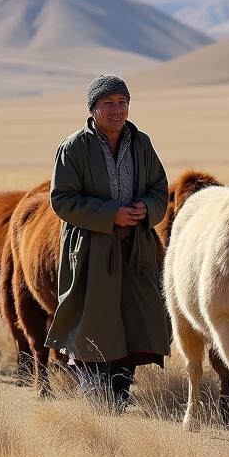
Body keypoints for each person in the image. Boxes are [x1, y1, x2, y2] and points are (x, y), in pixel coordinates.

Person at [46, 75, 170, 409]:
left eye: (122, 103)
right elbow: (62, 200)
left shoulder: (141, 143)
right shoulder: (73, 148)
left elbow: (160, 189)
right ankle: (96, 399)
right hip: (92, 251)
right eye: (108, 103)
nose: (116, 110)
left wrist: (147, 208)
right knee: (94, 323)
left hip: (136, 252)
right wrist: (109, 214)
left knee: (135, 320)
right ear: (93, 109)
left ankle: (119, 392)